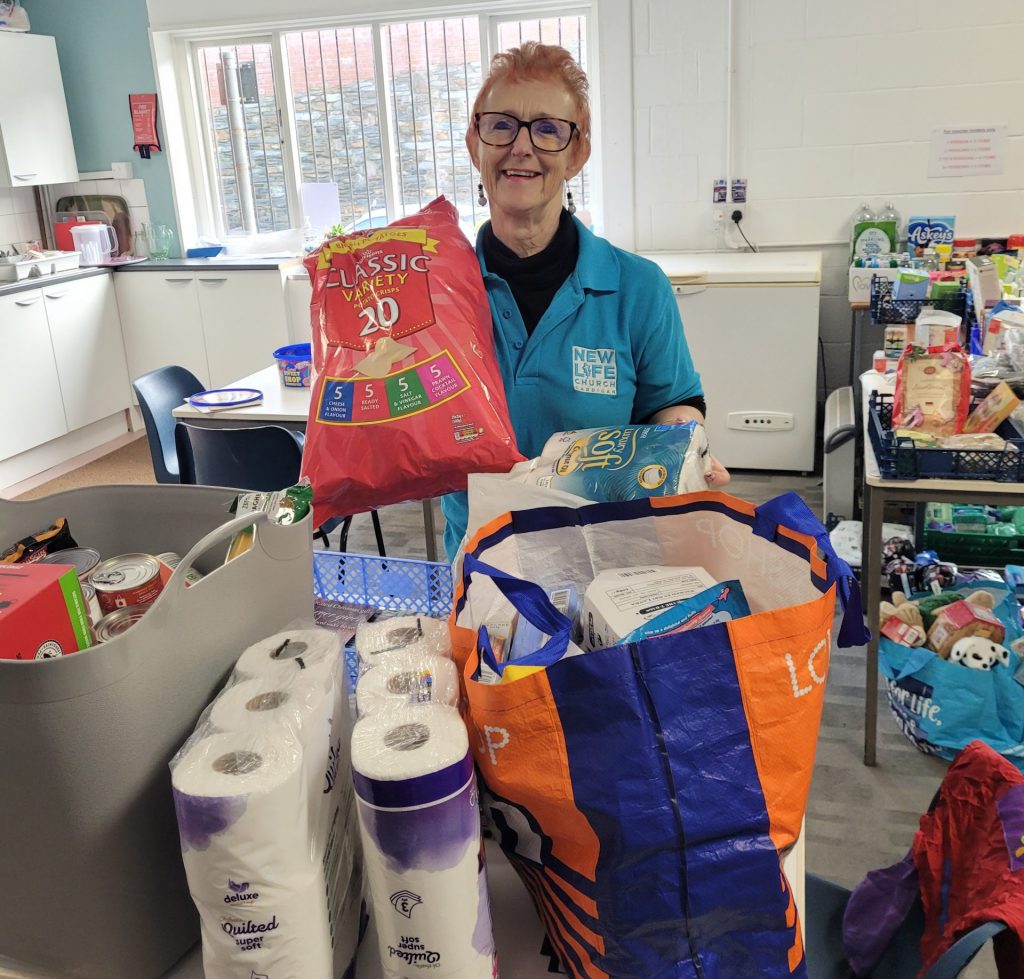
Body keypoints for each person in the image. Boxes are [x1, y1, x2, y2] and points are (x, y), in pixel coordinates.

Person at [441, 41, 729, 561]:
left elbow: (669, 403)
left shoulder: (638, 287)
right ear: (474, 143)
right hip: (481, 561)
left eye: (548, 129)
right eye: (502, 125)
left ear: (576, 154)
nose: (521, 147)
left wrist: (688, 450)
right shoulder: (437, 292)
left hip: (609, 558)